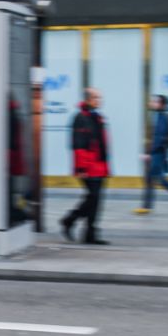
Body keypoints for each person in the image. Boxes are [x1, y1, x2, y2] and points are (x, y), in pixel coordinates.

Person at [60, 88, 110, 245]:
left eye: (99, 97)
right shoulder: (80, 118)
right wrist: (81, 168)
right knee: (92, 198)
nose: (99, 100)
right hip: (88, 167)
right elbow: (78, 145)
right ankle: (69, 220)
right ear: (87, 99)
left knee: (95, 200)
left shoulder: (97, 117)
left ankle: (89, 233)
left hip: (100, 166)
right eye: (95, 97)